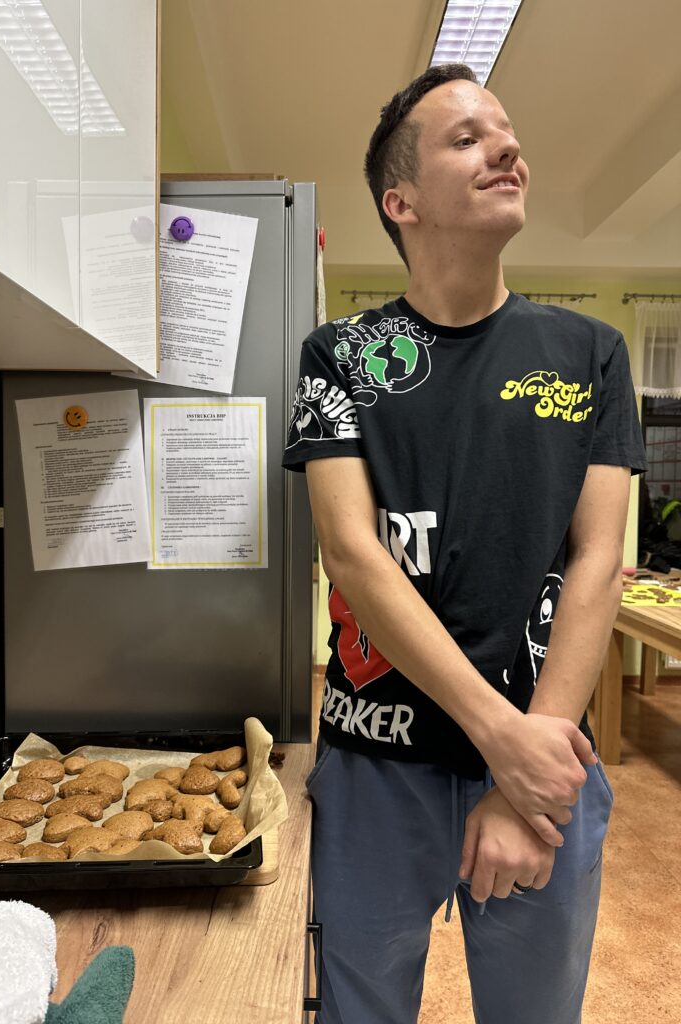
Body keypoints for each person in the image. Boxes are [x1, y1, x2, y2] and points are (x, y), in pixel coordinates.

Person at [282, 63, 647, 1024]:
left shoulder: (592, 354)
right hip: (378, 761)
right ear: (400, 202)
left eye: (507, 131)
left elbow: (598, 561)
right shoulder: (340, 356)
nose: (507, 147)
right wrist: (503, 739)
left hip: (546, 755)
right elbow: (352, 554)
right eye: (467, 138)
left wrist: (529, 783)